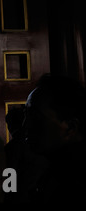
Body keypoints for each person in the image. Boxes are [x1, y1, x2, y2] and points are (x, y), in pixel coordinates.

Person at [23, 74, 86, 202]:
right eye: (26, 115)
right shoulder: (55, 169)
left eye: (35, 117)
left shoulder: (74, 182)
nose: (25, 125)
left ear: (70, 127)